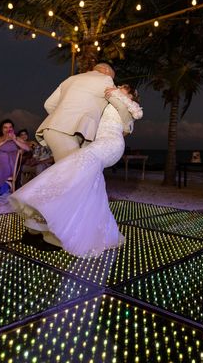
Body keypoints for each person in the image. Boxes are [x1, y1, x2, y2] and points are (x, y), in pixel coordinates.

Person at [10, 84, 143, 256]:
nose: (117, 86)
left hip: (110, 145)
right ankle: (47, 225)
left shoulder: (125, 106)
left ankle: (49, 223)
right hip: (99, 144)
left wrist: (117, 94)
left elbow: (129, 119)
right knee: (84, 181)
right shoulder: (110, 102)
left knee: (69, 171)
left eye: (123, 87)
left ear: (130, 96)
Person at [36, 62, 134, 162]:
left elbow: (48, 104)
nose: (113, 83)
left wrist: (61, 119)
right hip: (65, 134)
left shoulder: (70, 79)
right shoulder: (105, 79)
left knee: (70, 172)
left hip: (52, 130)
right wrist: (127, 128)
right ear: (107, 70)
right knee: (73, 171)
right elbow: (120, 106)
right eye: (112, 77)